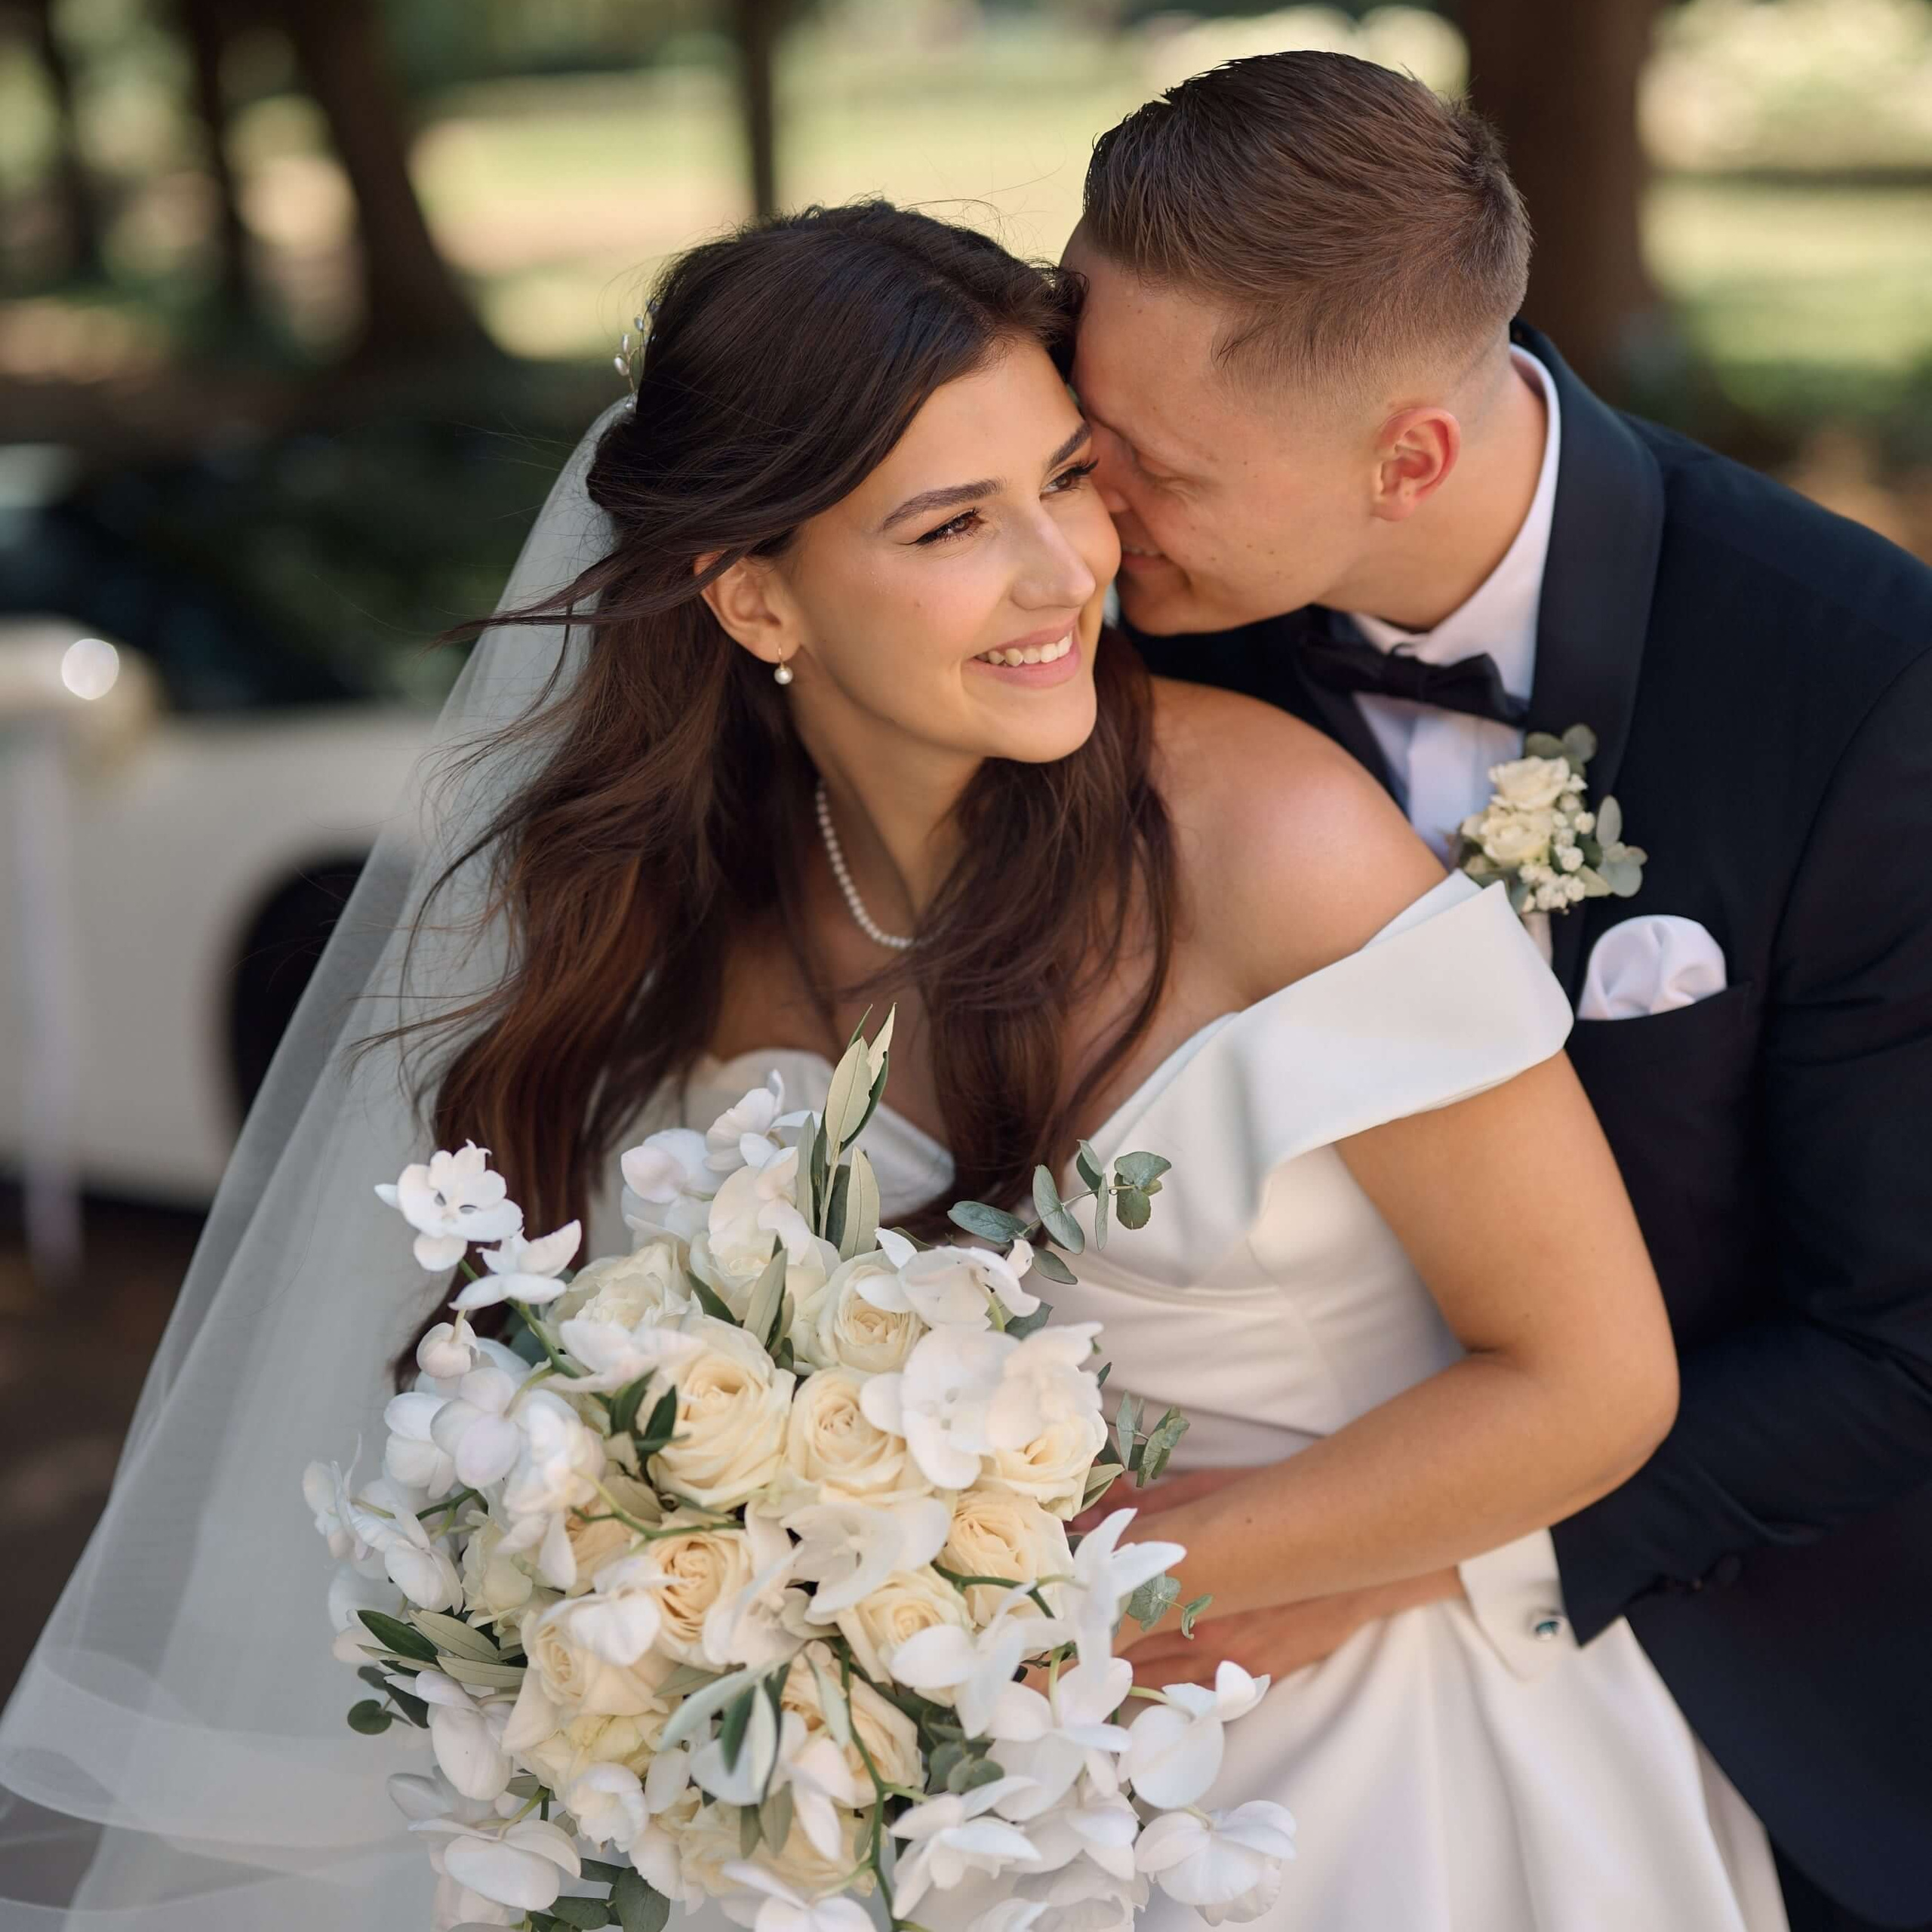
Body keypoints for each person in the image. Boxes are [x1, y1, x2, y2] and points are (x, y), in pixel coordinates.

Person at [0, 202, 1737, 1931]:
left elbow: (1589, 1379)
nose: (1063, 572)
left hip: (1364, 1779)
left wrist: (1004, 1596)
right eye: (950, 523)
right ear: (757, 594)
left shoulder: (1266, 839)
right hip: (904, 1824)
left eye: (1066, 479)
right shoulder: (684, 924)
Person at [1066, 51, 1932, 1932]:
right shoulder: (1106, 643)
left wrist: (1423, 1551)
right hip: (1203, 1741)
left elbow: (1902, 1340)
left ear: (1404, 457)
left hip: (1770, 1692)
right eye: (1084, 432)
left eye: (1157, 471)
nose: (1090, 515)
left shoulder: (1859, 693)